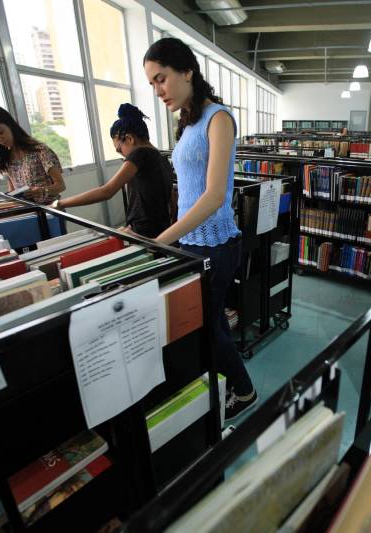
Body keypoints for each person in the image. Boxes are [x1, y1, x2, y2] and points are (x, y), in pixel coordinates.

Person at [144, 37, 257, 421]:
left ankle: (244, 391)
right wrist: (172, 233)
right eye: (152, 84)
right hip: (189, 242)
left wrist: (162, 239)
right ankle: (218, 388)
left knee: (209, 327)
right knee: (201, 324)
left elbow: (212, 197)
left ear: (187, 71)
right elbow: (187, 191)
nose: (158, 91)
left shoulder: (218, 118)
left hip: (215, 243)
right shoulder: (188, 121)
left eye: (162, 79)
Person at [52, 104, 173, 239]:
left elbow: (106, 191)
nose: (123, 156)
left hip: (143, 233)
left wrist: (61, 203)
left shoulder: (139, 154)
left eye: (119, 149)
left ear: (129, 139)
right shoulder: (161, 157)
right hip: (161, 229)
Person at [0, 104, 66, 204]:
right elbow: (12, 191)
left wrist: (42, 190)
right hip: (27, 213)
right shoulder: (6, 158)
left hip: (50, 212)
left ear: (9, 124)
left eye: (0, 132)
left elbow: (61, 185)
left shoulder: (40, 151)